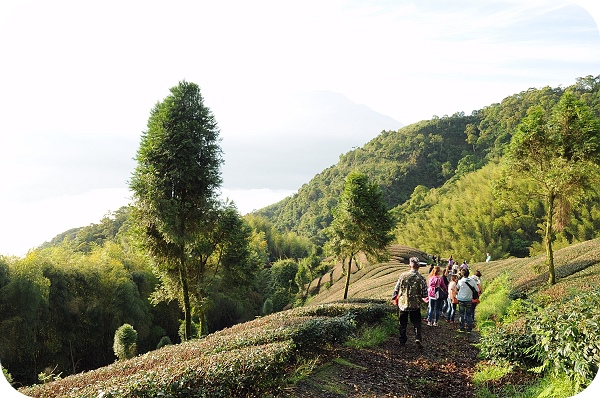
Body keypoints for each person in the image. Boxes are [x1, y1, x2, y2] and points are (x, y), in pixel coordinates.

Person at [392, 257, 428, 349]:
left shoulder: (403, 276)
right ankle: (417, 337)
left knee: (402, 322)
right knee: (416, 322)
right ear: (418, 267)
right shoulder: (421, 278)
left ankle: (402, 340)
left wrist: (394, 298)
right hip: (415, 304)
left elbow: (396, 289)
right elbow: (425, 294)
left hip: (403, 303)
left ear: (410, 266)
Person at [456, 268, 476, 333]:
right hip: (469, 299)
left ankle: (462, 328)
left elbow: (457, 288)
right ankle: (469, 329)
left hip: (461, 299)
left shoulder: (460, 281)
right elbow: (477, 290)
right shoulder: (472, 281)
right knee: (469, 314)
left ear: (462, 274)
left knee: (461, 314)